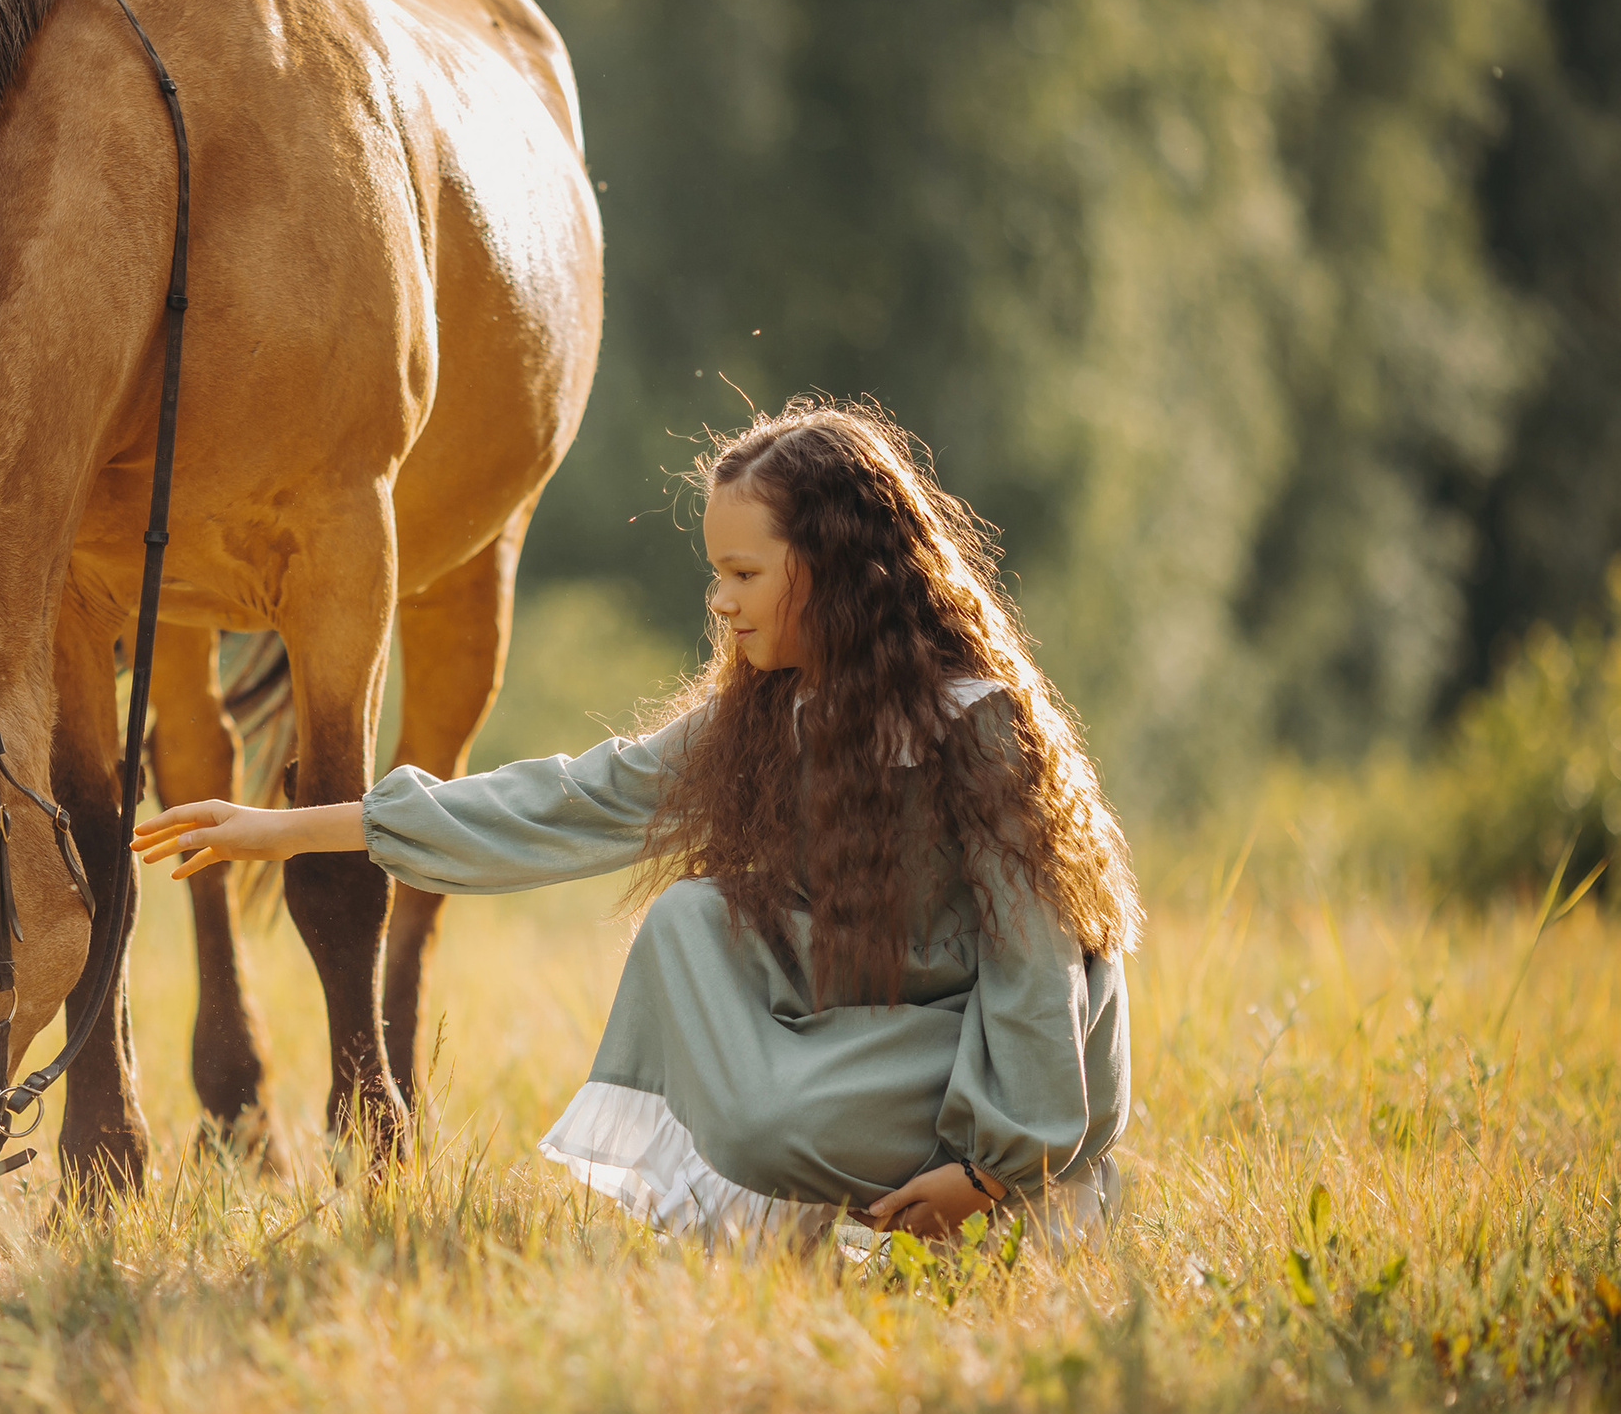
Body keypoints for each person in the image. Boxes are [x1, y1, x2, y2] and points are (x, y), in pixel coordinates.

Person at [133, 396, 1140, 1246]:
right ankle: (842, 1191)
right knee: (688, 921)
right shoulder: (768, 714)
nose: (721, 603)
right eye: (717, 575)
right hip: (880, 1034)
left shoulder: (974, 723)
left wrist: (997, 1162)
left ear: (832, 566)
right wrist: (293, 829)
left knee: (772, 1114)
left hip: (1003, 1068)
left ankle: (1006, 1195)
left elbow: (1036, 965)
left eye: (744, 575)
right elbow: (570, 799)